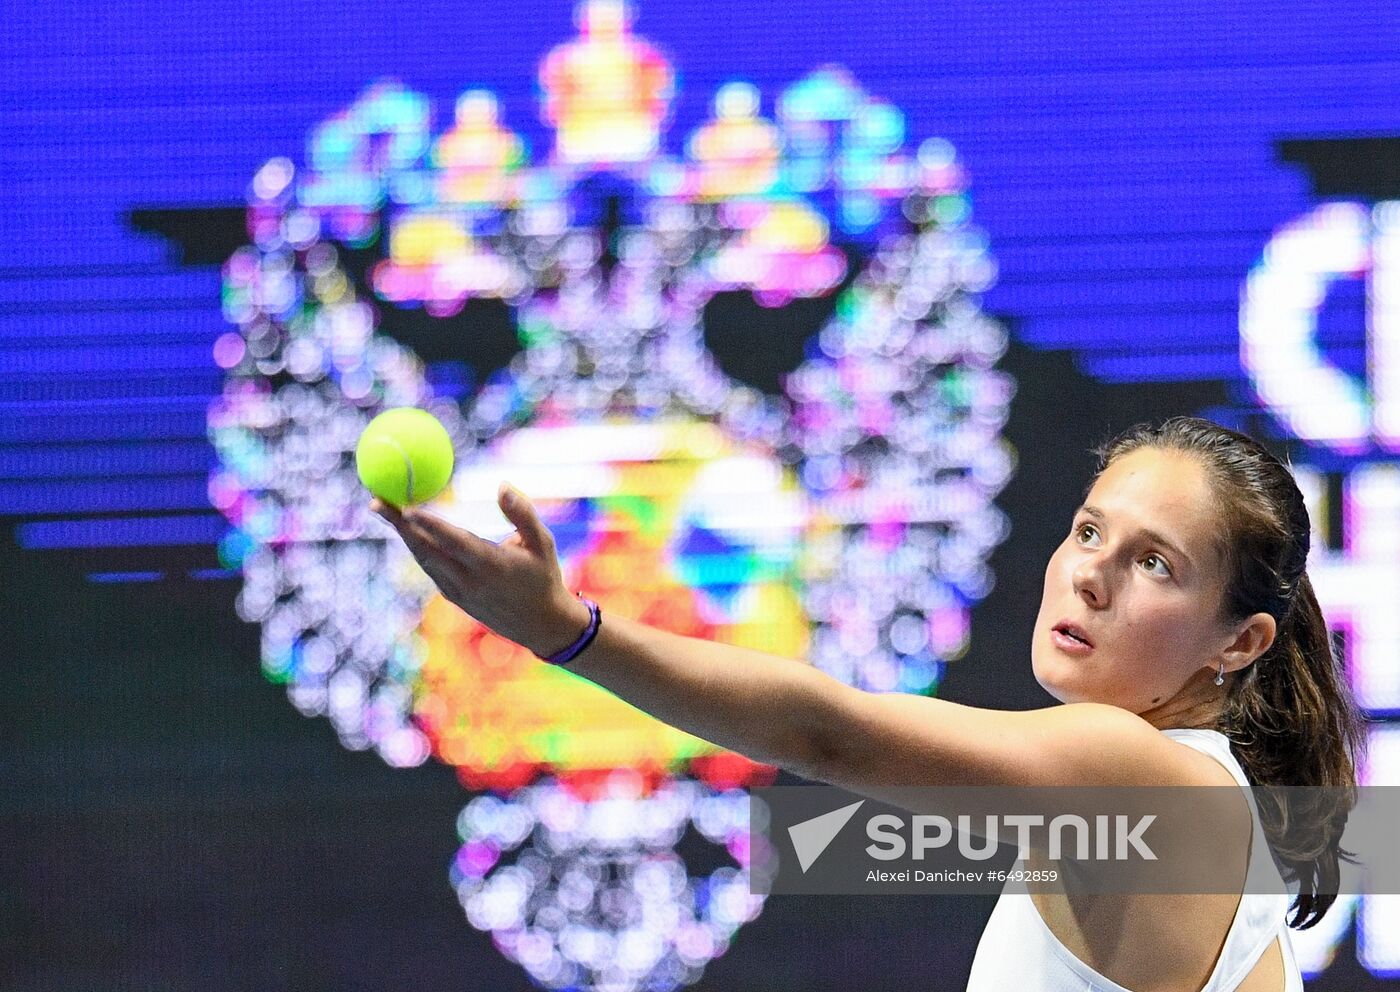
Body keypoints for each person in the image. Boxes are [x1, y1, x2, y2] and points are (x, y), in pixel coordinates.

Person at [371, 415, 1365, 992]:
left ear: (1239, 643)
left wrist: (567, 630)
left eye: (1154, 563)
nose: (1089, 576)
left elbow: (828, 734)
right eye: (1088, 531)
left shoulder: (1139, 777)